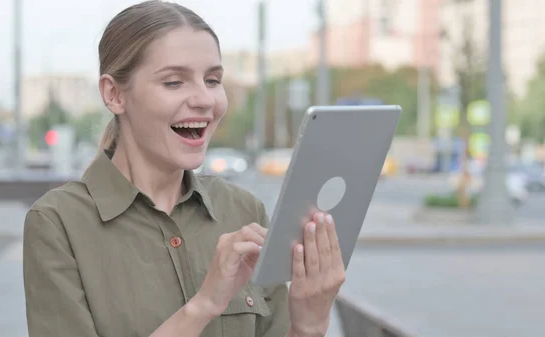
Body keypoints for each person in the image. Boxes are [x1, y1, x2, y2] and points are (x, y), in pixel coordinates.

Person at [22, 1, 346, 336]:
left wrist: (310, 323)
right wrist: (204, 305)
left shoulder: (243, 211)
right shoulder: (58, 223)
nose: (205, 99)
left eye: (212, 79)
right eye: (174, 82)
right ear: (114, 94)